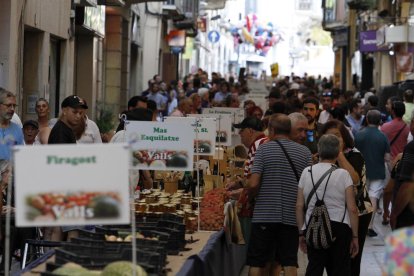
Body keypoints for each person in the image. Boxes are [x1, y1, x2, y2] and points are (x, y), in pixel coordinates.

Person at [246, 114, 312, 276]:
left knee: (257, 261)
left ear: (272, 129)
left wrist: (249, 195)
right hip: (291, 217)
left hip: (264, 215)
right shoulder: (305, 152)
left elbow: (253, 183)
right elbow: (309, 187)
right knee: (289, 261)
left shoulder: (264, 149)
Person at [296, 134, 359, 276]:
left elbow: (299, 206)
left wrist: (301, 233)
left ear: (319, 150)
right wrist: (355, 236)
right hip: (339, 226)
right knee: (340, 269)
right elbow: (352, 208)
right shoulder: (343, 174)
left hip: (313, 226)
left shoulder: (307, 172)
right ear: (338, 152)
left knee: (314, 267)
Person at [320, 120, 372, 276]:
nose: (333, 140)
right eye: (328, 137)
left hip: (358, 213)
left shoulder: (354, 154)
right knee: (332, 260)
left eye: (337, 136)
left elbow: (355, 179)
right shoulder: (322, 158)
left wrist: (339, 154)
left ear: (345, 138)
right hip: (333, 215)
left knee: (351, 258)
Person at [47, 95, 88, 241]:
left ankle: (53, 260)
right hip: (65, 188)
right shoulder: (60, 131)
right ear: (64, 110)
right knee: (73, 231)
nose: (78, 116)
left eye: (81, 113)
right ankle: (64, 260)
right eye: (75, 112)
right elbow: (61, 163)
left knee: (58, 229)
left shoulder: (66, 129)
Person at [355, 110, 391, 237]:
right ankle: (369, 226)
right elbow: (387, 158)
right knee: (373, 197)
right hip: (377, 171)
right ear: (380, 121)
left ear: (368, 120)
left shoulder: (358, 135)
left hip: (361, 170)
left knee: (360, 197)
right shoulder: (383, 136)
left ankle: (359, 223)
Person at [0, 88, 24, 160]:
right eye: (9, 105)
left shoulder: (17, 129)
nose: (12, 109)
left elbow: (21, 155)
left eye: (14, 106)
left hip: (10, 170)